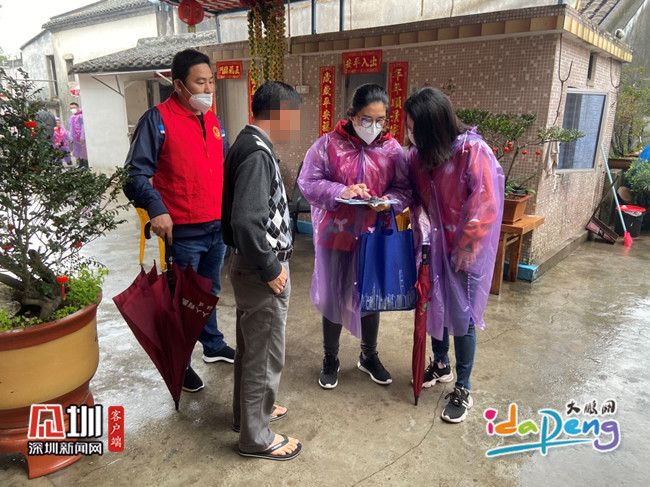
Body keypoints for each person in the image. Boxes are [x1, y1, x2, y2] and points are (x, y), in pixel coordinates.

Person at [123, 48, 234, 394]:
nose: (208, 89)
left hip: (216, 226)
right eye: (200, 82)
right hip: (183, 231)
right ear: (179, 85)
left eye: (211, 81)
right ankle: (180, 361)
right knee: (181, 299)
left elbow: (224, 169)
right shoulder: (157, 120)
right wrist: (156, 208)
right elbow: (134, 174)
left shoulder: (213, 121)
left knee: (209, 291)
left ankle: (212, 345)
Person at [298, 83, 411, 390]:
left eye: (380, 120)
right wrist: (341, 191)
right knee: (332, 296)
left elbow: (404, 188)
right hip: (335, 235)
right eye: (366, 119)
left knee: (371, 296)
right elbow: (309, 181)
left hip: (373, 237)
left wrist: (388, 200)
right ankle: (330, 358)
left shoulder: (392, 150)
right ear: (351, 114)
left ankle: (368, 355)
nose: (373, 127)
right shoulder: (327, 145)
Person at [404, 87, 504, 423]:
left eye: (414, 127)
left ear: (432, 127)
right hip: (433, 246)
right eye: (408, 126)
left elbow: (485, 201)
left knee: (462, 316)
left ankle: (463, 386)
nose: (410, 133)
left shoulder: (471, 151)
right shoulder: (419, 157)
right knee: (435, 306)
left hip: (464, 250)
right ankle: (441, 364)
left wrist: (467, 244)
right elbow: (412, 194)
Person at [222, 81, 302, 461]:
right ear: (280, 113)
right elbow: (245, 221)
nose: (296, 125)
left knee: (252, 349)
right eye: (294, 117)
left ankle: (248, 416)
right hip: (260, 269)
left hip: (249, 266)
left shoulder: (248, 143)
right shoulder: (256, 152)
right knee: (264, 355)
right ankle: (256, 437)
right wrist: (270, 267)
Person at [68, 102, 88, 169]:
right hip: (75, 137)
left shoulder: (81, 116)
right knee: (78, 151)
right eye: (71, 108)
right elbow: (71, 128)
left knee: (84, 151)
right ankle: (81, 164)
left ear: (77, 107)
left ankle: (86, 165)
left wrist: (82, 136)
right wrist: (71, 137)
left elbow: (83, 126)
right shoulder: (72, 117)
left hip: (81, 137)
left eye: (73, 108)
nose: (72, 109)